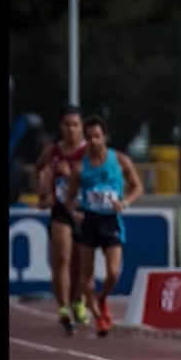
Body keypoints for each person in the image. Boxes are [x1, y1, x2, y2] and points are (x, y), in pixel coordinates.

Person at [66, 116, 144, 337]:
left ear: (105, 137)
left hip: (110, 221)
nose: (93, 141)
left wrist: (125, 203)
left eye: (97, 137)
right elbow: (69, 197)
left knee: (113, 272)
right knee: (86, 275)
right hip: (89, 221)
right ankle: (99, 317)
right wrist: (75, 212)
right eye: (89, 137)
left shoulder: (119, 160)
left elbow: (137, 187)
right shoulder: (80, 168)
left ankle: (102, 298)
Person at [34, 105, 89, 335]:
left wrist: (73, 176)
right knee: (62, 258)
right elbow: (39, 169)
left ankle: (78, 301)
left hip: (86, 210)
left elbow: (102, 177)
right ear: (61, 127)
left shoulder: (89, 151)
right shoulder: (53, 151)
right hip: (60, 210)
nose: (71, 130)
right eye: (67, 125)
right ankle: (64, 309)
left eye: (75, 125)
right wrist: (43, 192)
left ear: (82, 127)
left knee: (81, 262)